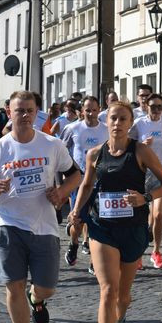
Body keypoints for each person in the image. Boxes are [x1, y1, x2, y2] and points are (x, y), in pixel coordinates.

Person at [0, 91, 80, 323]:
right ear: (9, 112)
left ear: (36, 113)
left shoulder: (52, 144)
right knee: (13, 285)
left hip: (44, 226)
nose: (25, 115)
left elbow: (75, 173)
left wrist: (62, 192)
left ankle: (38, 299)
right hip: (9, 223)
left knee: (47, 286)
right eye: (19, 110)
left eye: (29, 110)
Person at [69, 100, 162, 323]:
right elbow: (87, 184)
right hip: (102, 227)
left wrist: (145, 198)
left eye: (123, 119)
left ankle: (121, 320)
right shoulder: (94, 155)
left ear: (130, 123)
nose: (117, 123)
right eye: (113, 118)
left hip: (133, 228)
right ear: (107, 122)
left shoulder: (140, 151)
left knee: (123, 296)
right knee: (107, 290)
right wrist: (76, 213)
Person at [61, 95, 109, 267]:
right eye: (87, 110)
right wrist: (70, 171)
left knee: (99, 222)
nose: (91, 113)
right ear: (81, 111)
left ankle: (94, 260)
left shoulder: (106, 129)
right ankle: (74, 243)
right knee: (78, 221)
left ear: (99, 110)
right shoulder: (72, 128)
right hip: (80, 182)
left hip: (101, 181)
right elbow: (62, 150)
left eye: (94, 110)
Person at [130, 93, 162, 269]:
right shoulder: (139, 123)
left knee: (158, 215)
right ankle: (138, 254)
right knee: (141, 217)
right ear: (146, 107)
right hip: (141, 173)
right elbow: (129, 144)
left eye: (159, 107)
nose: (156, 110)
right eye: (152, 106)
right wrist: (142, 144)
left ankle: (156, 252)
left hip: (161, 172)